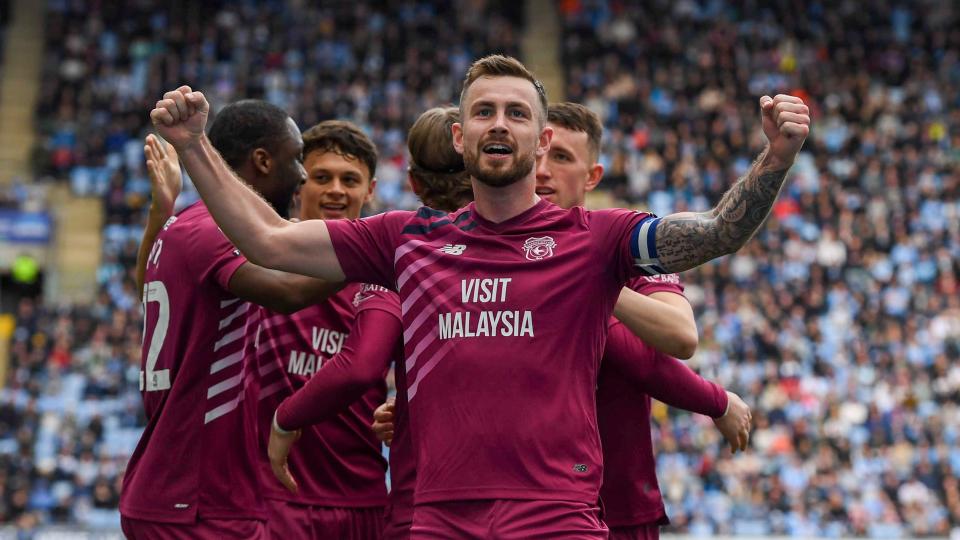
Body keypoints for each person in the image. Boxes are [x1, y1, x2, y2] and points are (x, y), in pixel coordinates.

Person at [150, 54, 809, 537]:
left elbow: (719, 232)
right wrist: (195, 146)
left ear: (541, 139)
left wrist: (775, 158)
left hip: (557, 516)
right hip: (439, 518)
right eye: (485, 111)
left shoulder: (595, 238)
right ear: (461, 136)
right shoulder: (404, 238)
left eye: (517, 113)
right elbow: (267, 240)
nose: (501, 123)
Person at [371, 102, 752, 539]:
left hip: (619, 503)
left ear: (592, 176)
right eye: (540, 158)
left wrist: (587, 276)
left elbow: (678, 337)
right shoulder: (485, 252)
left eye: (563, 158)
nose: (545, 171)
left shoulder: (621, 244)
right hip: (516, 504)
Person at [121, 101, 337, 539]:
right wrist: (384, 251)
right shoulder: (215, 228)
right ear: (262, 160)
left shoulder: (184, 224)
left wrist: (159, 215)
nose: (301, 175)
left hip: (182, 488)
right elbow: (289, 292)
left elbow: (145, 285)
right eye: (296, 158)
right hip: (199, 499)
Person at [268, 107, 470, 540]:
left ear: (372, 190)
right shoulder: (262, 265)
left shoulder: (396, 263)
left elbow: (368, 364)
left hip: (361, 500)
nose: (336, 191)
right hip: (270, 496)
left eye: (350, 179)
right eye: (322, 177)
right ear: (299, 182)